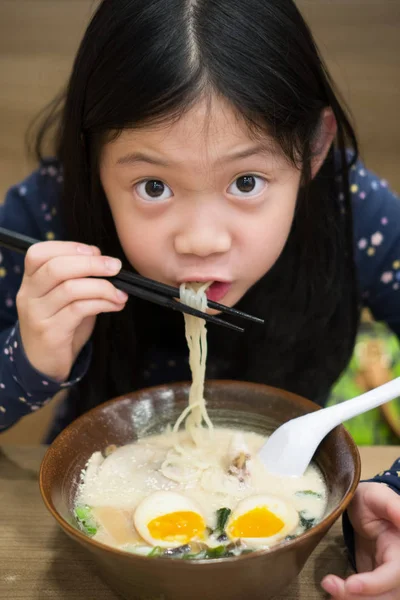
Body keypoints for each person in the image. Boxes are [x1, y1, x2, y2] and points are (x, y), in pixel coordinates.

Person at [0, 0, 399, 596]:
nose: (201, 240)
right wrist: (27, 357)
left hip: (296, 530)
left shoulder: (352, 209)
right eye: (153, 186)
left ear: (312, 149)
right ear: (92, 162)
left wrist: (393, 495)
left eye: (246, 182)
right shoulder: (49, 216)